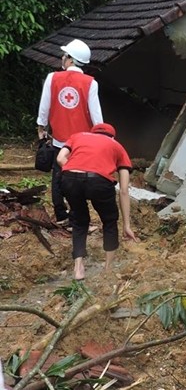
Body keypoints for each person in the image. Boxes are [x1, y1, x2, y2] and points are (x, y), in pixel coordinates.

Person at [56, 123, 138, 280]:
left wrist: (76, 171)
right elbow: (124, 190)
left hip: (69, 178)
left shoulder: (77, 136)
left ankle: (78, 267)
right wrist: (127, 225)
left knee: (79, 221)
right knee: (109, 221)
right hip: (99, 181)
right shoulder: (117, 146)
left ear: (92, 133)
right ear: (112, 137)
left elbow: (60, 158)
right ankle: (107, 269)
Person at [37, 39, 103, 226]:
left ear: (71, 60)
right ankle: (77, 215)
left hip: (60, 141)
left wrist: (41, 128)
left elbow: (44, 108)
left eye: (65, 56)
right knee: (79, 178)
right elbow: (97, 116)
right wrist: (101, 138)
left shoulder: (52, 78)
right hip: (82, 143)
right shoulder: (91, 83)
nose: (62, 58)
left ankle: (61, 214)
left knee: (58, 176)